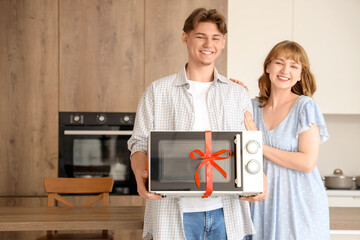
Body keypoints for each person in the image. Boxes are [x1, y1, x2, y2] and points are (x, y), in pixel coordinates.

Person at [128, 7, 266, 240]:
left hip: (226, 214)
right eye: (200, 36)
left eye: (215, 38)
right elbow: (139, 143)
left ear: (223, 43)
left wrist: (258, 175)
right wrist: (139, 176)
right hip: (172, 214)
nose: (208, 44)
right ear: (185, 37)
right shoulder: (157, 91)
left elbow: (246, 145)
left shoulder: (237, 94)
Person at [236, 40, 330, 239]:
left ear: (300, 75)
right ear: (268, 66)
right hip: (260, 205)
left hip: (298, 204)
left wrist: (258, 145)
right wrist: (232, 91)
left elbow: (307, 162)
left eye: (294, 66)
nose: (285, 70)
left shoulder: (305, 107)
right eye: (279, 62)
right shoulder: (251, 108)